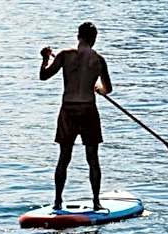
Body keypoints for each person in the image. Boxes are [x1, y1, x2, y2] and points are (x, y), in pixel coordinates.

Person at [39, 21, 113, 212]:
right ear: (94, 39)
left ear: (78, 36)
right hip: (88, 109)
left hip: (68, 110)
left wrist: (45, 58)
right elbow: (108, 89)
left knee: (64, 158)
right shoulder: (99, 60)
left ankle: (57, 201)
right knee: (93, 159)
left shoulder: (65, 55)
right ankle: (96, 202)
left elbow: (44, 76)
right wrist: (98, 88)